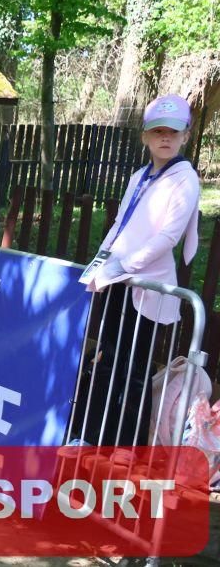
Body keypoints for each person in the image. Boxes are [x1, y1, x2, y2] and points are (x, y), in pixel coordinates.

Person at [79, 94, 200, 448]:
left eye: (173, 132)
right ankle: (92, 438)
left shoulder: (185, 179)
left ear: (185, 136)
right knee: (107, 358)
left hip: (149, 287)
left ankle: (128, 447)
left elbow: (168, 237)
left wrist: (123, 266)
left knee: (135, 368)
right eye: (158, 131)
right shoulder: (138, 177)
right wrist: (101, 262)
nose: (165, 138)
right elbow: (120, 223)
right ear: (145, 136)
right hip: (117, 281)